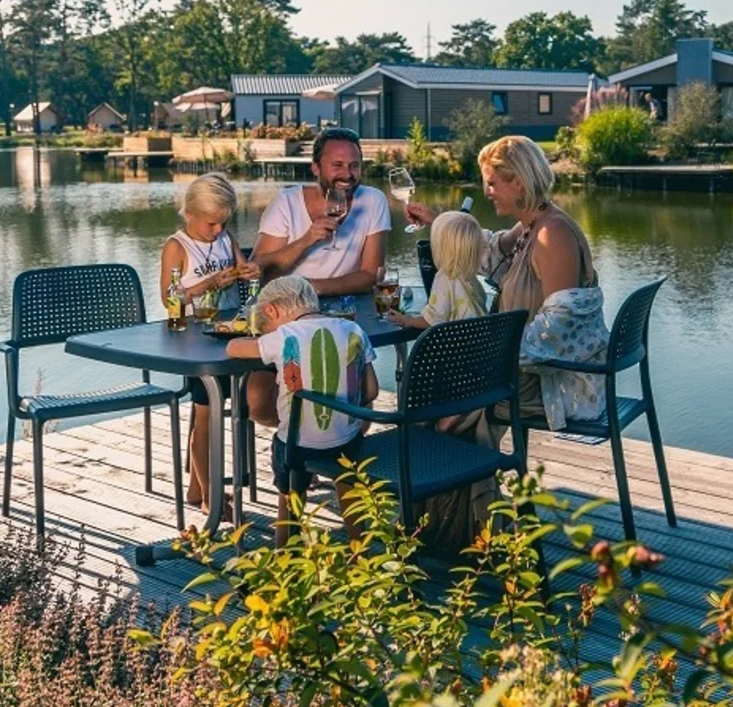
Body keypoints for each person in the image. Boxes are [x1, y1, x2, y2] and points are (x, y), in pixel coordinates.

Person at [405, 135, 608, 549]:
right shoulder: (531, 225)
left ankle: (459, 532)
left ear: (518, 182)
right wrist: (438, 221)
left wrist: (485, 360)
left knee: (445, 407)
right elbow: (482, 249)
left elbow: (556, 332)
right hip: (519, 370)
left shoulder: (553, 236)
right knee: (438, 399)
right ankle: (454, 525)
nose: (486, 193)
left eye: (492, 184)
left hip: (547, 382)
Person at [245, 127, 389, 430]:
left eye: (354, 165)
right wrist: (307, 240)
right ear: (315, 168)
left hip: (345, 316)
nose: (347, 174)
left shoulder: (373, 201)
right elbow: (260, 270)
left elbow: (371, 275)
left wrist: (313, 288)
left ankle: (337, 463)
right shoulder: (286, 203)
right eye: (337, 165)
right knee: (257, 403)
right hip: (287, 316)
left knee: (359, 395)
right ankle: (303, 442)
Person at [225, 276, 378, 546]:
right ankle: (360, 550)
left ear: (272, 310)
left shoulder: (284, 336)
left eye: (268, 326)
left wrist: (260, 339)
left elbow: (233, 348)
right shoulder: (354, 330)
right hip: (348, 442)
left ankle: (285, 553)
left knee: (289, 490)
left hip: (297, 446)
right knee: (347, 480)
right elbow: (371, 391)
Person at [158, 173, 260, 506]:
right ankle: (211, 498)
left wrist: (249, 271)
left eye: (223, 224)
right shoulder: (177, 247)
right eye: (211, 224)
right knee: (206, 415)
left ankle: (196, 488)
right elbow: (170, 300)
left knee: (214, 410)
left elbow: (245, 269)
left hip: (230, 333)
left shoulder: (225, 238)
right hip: (195, 340)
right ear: (189, 214)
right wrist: (209, 284)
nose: (217, 231)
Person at [385, 210, 487, 432]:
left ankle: (442, 422)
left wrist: (407, 320)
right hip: (479, 356)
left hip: (455, 359)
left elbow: (433, 318)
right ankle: (453, 415)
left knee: (424, 377)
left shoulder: (445, 278)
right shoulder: (472, 280)